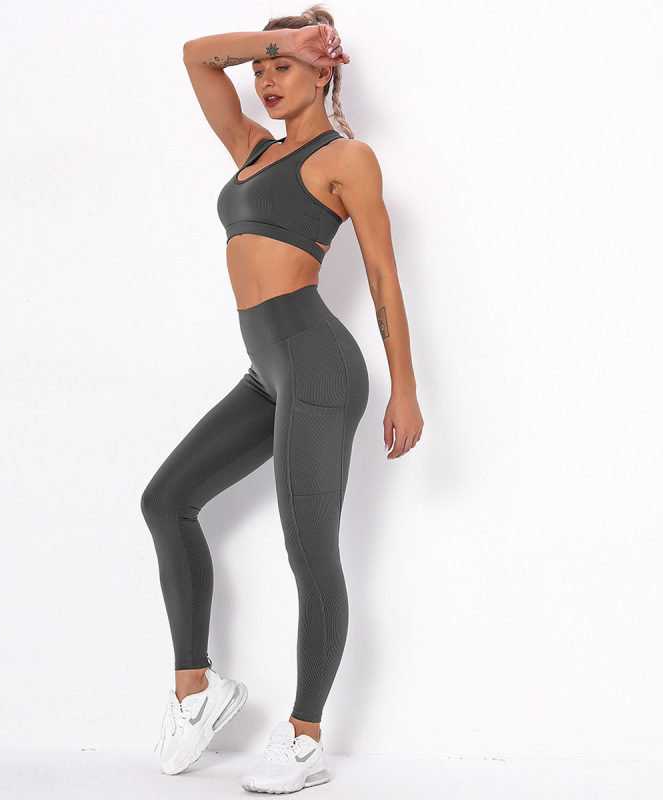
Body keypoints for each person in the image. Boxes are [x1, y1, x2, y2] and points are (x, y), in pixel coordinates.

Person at [142, 3, 423, 793]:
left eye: (284, 66)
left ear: (323, 70)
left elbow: (383, 276)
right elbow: (197, 55)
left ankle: (305, 739)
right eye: (261, 67)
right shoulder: (252, 149)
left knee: (310, 552)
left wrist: (406, 389)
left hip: (318, 365)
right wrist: (275, 40)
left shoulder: (347, 158)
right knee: (166, 501)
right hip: (266, 371)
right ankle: (196, 691)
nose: (265, 79)